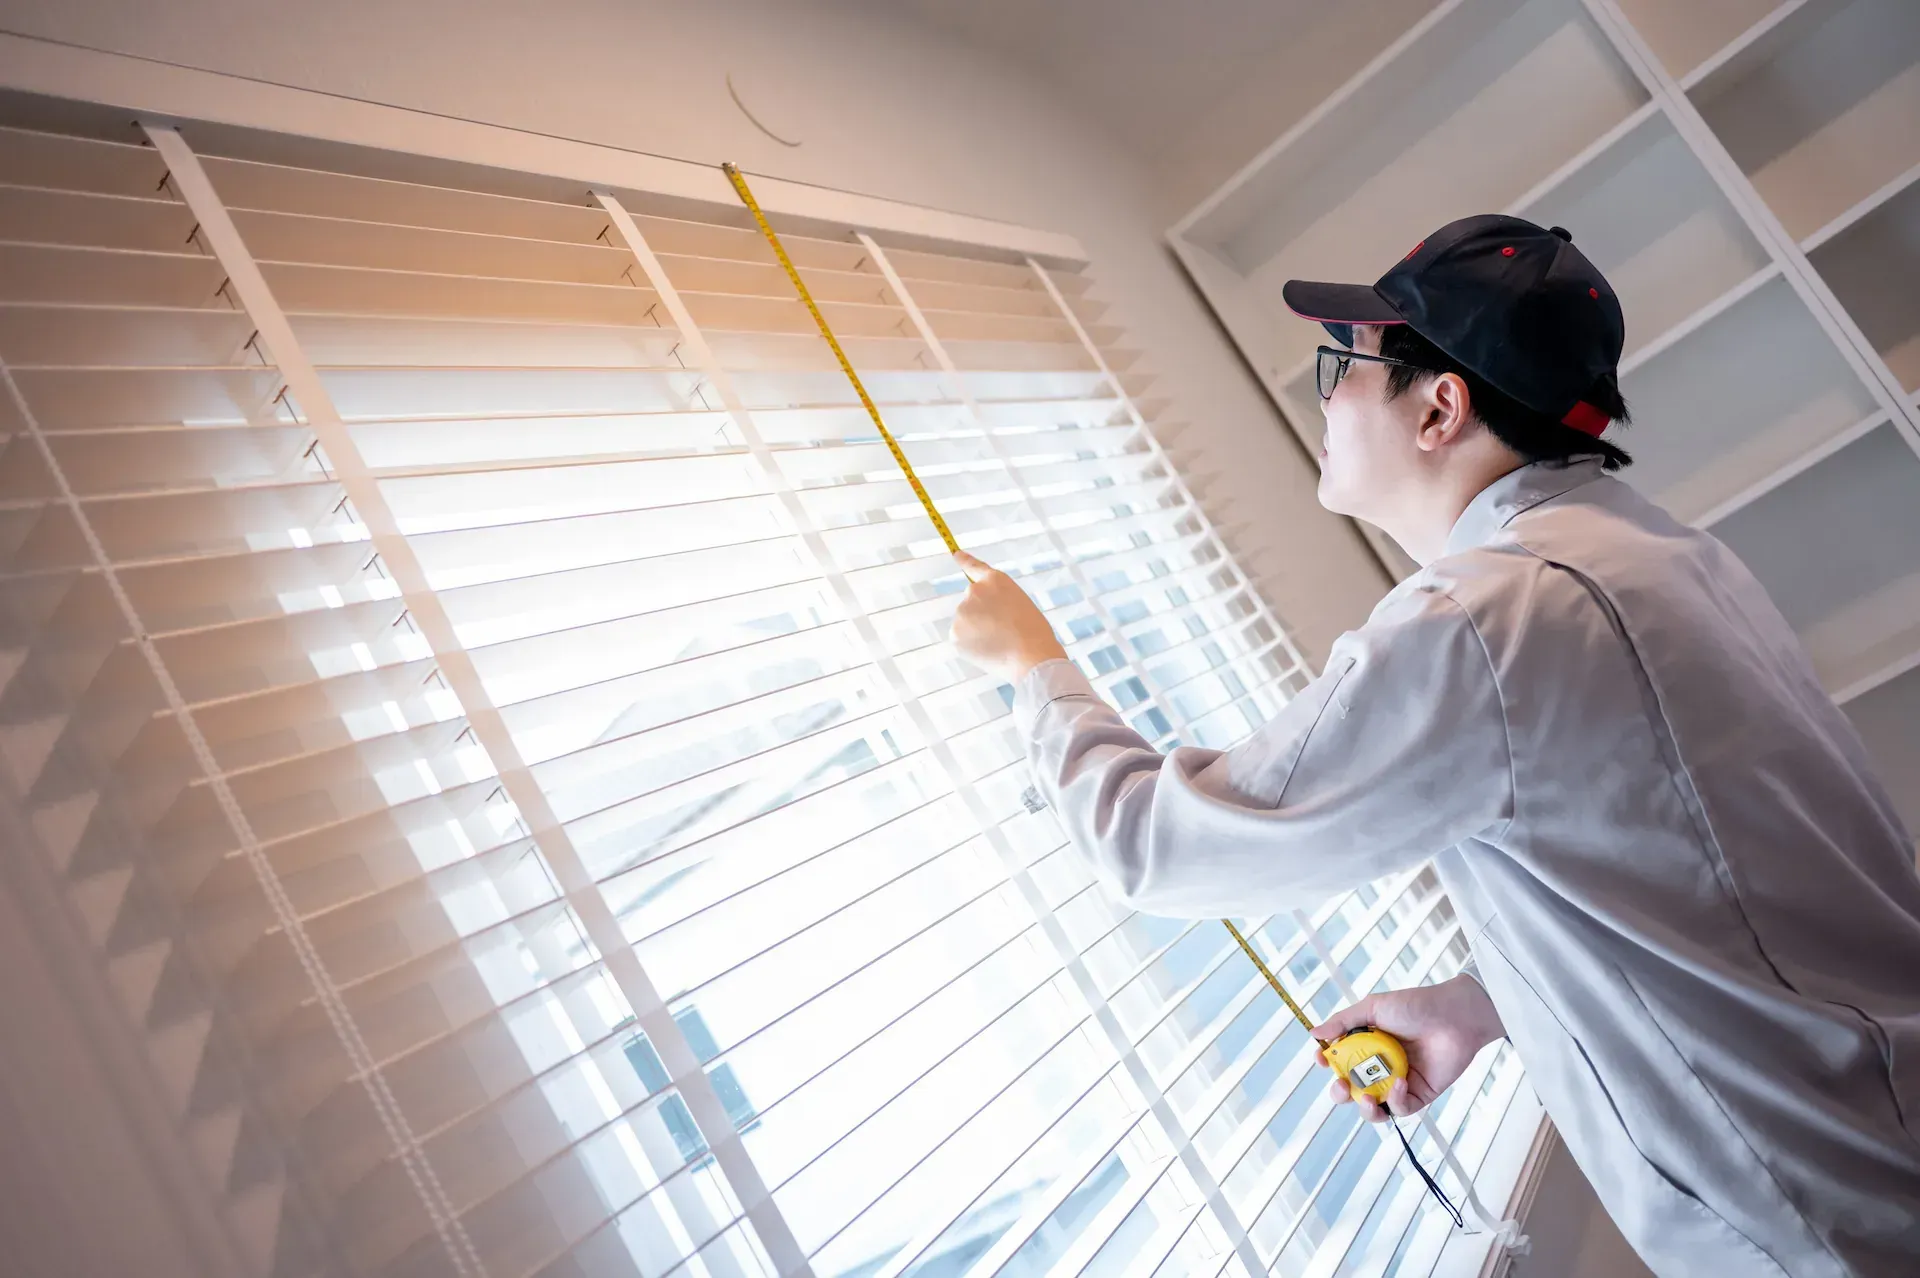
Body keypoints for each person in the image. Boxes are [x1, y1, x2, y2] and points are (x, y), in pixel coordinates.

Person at [949, 214, 1920, 1277]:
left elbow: (1155, 848)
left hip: (1836, 1220)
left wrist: (1034, 667)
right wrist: (1487, 1003)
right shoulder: (1663, 557)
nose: (1323, 395)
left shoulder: (1488, 620)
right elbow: (1708, 881)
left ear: (1440, 407)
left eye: (1345, 366)